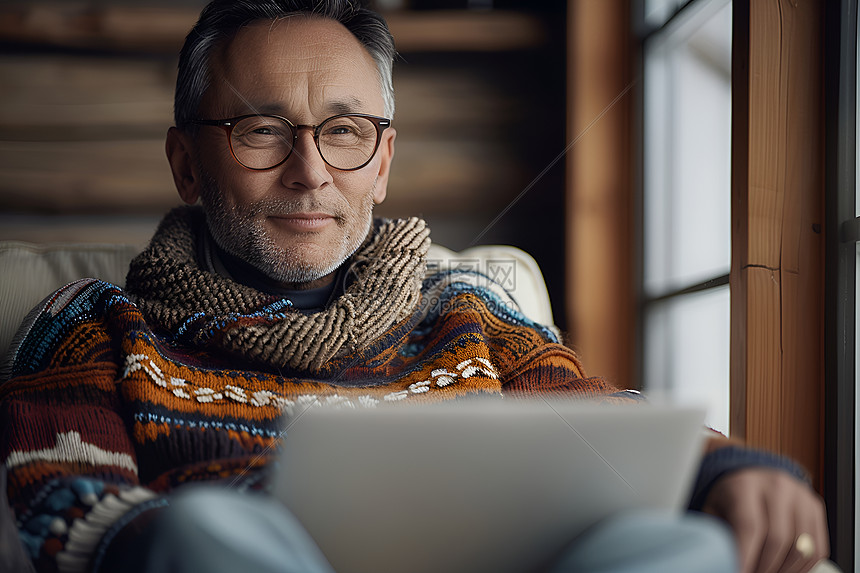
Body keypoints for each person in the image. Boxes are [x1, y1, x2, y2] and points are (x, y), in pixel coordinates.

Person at [0, 1, 830, 572]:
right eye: (260, 131)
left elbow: (600, 424)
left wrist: (724, 469)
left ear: (383, 163)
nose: (310, 173)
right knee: (198, 529)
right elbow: (70, 509)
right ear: (187, 162)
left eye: (346, 133)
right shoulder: (90, 322)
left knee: (689, 551)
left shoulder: (464, 303)